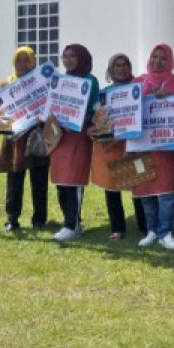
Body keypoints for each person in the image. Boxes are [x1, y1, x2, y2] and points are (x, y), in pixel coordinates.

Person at [88, 53, 147, 240]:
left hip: (134, 143)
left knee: (138, 185)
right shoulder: (104, 94)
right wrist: (93, 128)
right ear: (110, 70)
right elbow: (96, 117)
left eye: (125, 65)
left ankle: (145, 227)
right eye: (117, 66)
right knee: (112, 187)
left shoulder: (139, 90)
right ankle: (117, 228)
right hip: (111, 146)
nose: (121, 68)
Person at [132, 44, 174, 250]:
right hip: (141, 146)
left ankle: (166, 232)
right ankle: (152, 231)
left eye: (163, 58)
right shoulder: (139, 82)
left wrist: (168, 98)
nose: (158, 61)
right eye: (154, 56)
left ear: (170, 60)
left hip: (167, 148)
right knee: (146, 191)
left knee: (167, 192)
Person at [0, 46, 49, 233]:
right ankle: (12, 219)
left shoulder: (42, 83)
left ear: (34, 62)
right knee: (14, 180)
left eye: (27, 60)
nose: (23, 65)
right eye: (19, 60)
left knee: (39, 180)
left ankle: (40, 219)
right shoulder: (6, 85)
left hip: (36, 136)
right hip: (15, 138)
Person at [49, 43, 99, 243]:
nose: (68, 60)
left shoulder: (90, 80)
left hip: (77, 137)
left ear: (81, 58)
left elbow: (94, 108)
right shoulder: (60, 81)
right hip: (59, 137)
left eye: (72, 56)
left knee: (74, 181)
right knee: (61, 182)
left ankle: (73, 225)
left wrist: (79, 121)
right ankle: (69, 221)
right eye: (65, 56)